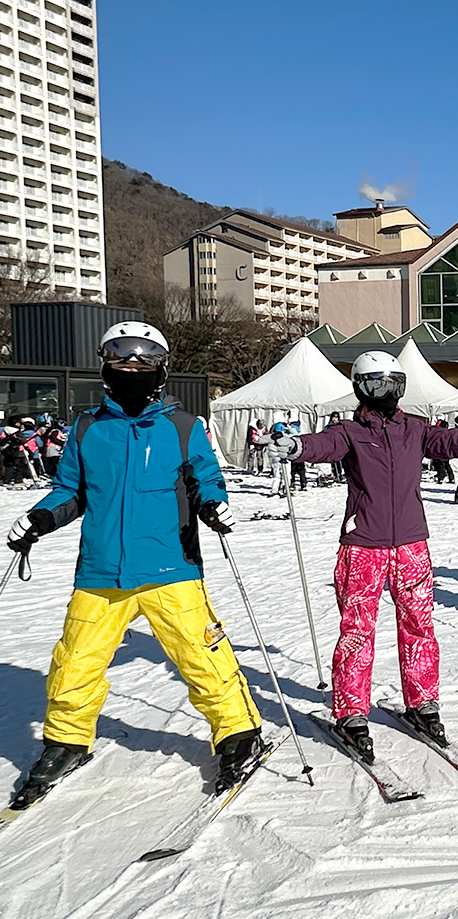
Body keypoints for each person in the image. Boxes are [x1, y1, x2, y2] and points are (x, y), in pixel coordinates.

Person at [5, 321, 264, 802]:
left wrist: (213, 506)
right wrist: (40, 518)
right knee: (75, 663)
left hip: (171, 566)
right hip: (101, 571)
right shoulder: (88, 429)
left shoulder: (183, 427)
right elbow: (70, 491)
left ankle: (238, 732)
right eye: (121, 358)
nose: (132, 367)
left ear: (161, 369)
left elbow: (206, 480)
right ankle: (66, 741)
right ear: (105, 366)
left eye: (145, 360)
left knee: (202, 657)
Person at [268, 350, 458, 761]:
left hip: (411, 545)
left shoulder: (415, 429)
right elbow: (323, 445)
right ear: (361, 387)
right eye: (378, 384)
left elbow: (454, 441)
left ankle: (422, 702)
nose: (388, 393)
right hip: (363, 546)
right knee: (358, 630)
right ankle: (351, 711)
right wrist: (297, 446)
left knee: (419, 626)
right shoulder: (349, 432)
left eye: (395, 384)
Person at [325, 412, 346, 483]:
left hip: (340, 446)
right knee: (334, 462)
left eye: (336, 418)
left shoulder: (340, 426)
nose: (335, 419)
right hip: (332, 446)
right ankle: (336, 475)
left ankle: (340, 474)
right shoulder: (328, 427)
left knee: (340, 461)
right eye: (334, 417)